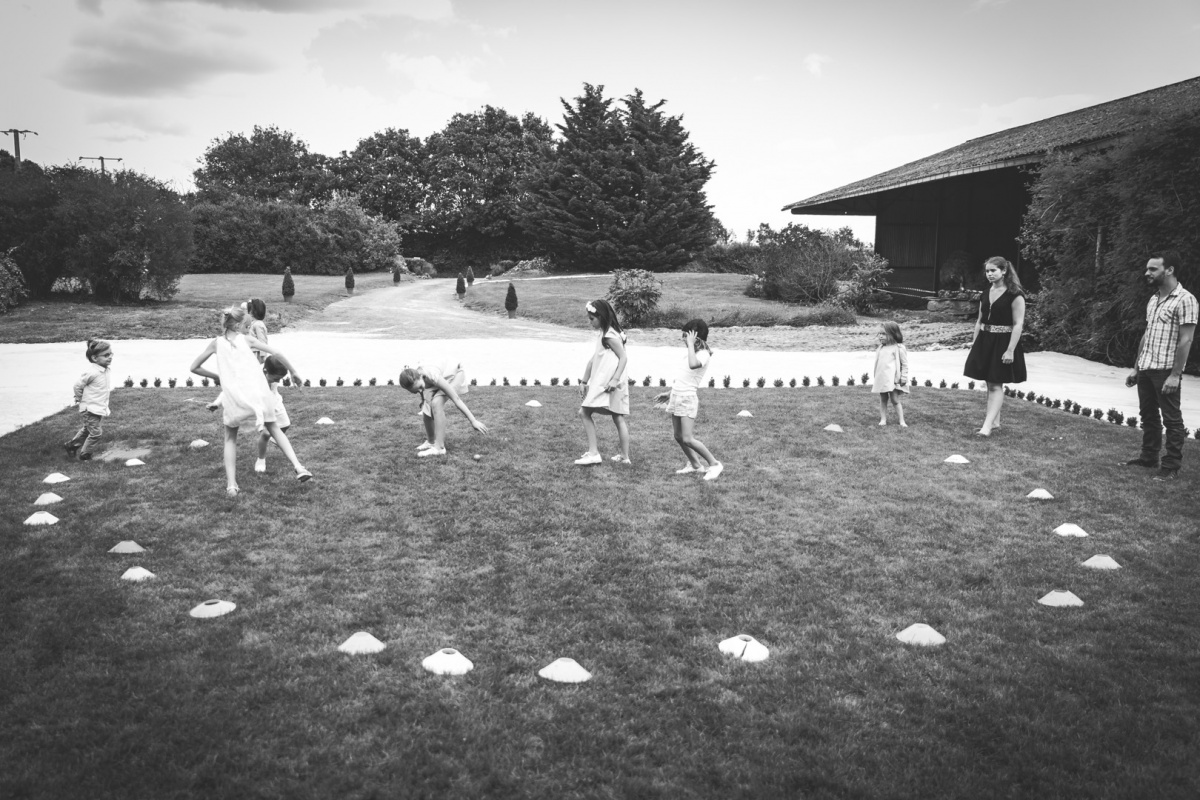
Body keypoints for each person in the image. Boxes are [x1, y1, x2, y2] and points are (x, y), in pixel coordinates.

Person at [190, 306, 312, 496]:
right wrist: (295, 372)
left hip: (234, 398)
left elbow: (194, 367)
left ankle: (231, 485)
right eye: (246, 324)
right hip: (257, 396)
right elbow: (276, 354)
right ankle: (299, 467)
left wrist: (219, 377)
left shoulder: (216, 343)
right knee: (274, 429)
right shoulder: (247, 340)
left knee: (230, 438)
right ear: (239, 324)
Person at [1122, 253, 1197, 481]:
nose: (1147, 273)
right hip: (1146, 367)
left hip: (1166, 370)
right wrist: (1137, 367)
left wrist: (1175, 374)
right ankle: (1148, 458)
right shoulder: (1154, 299)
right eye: (1148, 269)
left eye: (1153, 269)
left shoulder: (1185, 299)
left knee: (1172, 419)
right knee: (1148, 416)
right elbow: (1148, 334)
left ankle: (1171, 466)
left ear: (1170, 270)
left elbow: (1186, 340)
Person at [963, 256, 1026, 436]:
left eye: (993, 270)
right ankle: (995, 422)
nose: (989, 274)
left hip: (1004, 342)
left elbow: (1018, 324)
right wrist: (976, 344)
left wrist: (1010, 350)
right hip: (986, 340)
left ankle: (987, 426)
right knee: (990, 383)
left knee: (996, 384)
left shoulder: (1015, 295)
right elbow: (979, 321)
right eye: (987, 271)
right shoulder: (985, 293)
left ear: (1004, 271)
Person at [654, 319, 723, 480]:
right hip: (678, 396)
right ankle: (696, 465)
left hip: (687, 400)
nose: (683, 339)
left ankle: (714, 464)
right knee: (678, 436)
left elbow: (693, 366)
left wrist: (691, 344)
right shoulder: (690, 353)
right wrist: (670, 393)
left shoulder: (703, 354)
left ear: (695, 338)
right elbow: (685, 379)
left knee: (687, 438)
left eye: (686, 336)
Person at [576, 299, 631, 465]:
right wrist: (584, 381)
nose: (590, 322)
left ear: (601, 317)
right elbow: (593, 360)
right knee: (617, 417)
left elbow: (623, 358)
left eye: (592, 319)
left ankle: (594, 453)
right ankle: (625, 457)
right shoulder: (605, 333)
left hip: (609, 383)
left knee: (584, 412)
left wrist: (614, 380)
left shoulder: (609, 335)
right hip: (609, 382)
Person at [398, 361, 489, 457]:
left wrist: (473, 420)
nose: (421, 391)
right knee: (427, 405)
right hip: (438, 378)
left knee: (436, 403)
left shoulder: (432, 375)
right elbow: (423, 391)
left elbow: (456, 399)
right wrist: (423, 400)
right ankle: (431, 441)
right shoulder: (418, 377)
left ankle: (440, 448)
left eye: (420, 387)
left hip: (455, 375)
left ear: (420, 376)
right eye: (416, 391)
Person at [64, 339, 114, 461]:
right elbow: (77, 386)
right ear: (95, 358)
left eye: (111, 354)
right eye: (106, 355)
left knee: (87, 429)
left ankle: (71, 446)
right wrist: (81, 399)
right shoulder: (92, 372)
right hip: (89, 409)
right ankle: (85, 454)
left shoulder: (105, 369)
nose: (110, 357)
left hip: (98, 407)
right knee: (96, 433)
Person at [253, 356, 293, 475]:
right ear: (265, 372)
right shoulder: (255, 377)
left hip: (275, 401)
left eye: (280, 379)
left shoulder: (272, 371)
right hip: (260, 405)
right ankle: (261, 460)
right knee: (265, 433)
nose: (279, 381)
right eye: (276, 378)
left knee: (285, 425)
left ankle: (275, 438)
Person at [873, 320, 909, 427]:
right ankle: (883, 419)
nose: (880, 336)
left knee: (895, 400)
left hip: (893, 379)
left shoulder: (898, 348)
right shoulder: (880, 348)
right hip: (882, 378)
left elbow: (905, 364)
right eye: (879, 334)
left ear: (893, 334)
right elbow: (879, 364)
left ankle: (902, 420)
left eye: (884, 334)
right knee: (883, 399)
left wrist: (903, 377)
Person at [246, 298, 269, 363]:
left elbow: (262, 340)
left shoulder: (258, 324)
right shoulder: (253, 323)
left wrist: (263, 355)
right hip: (251, 351)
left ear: (251, 312)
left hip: (256, 353)